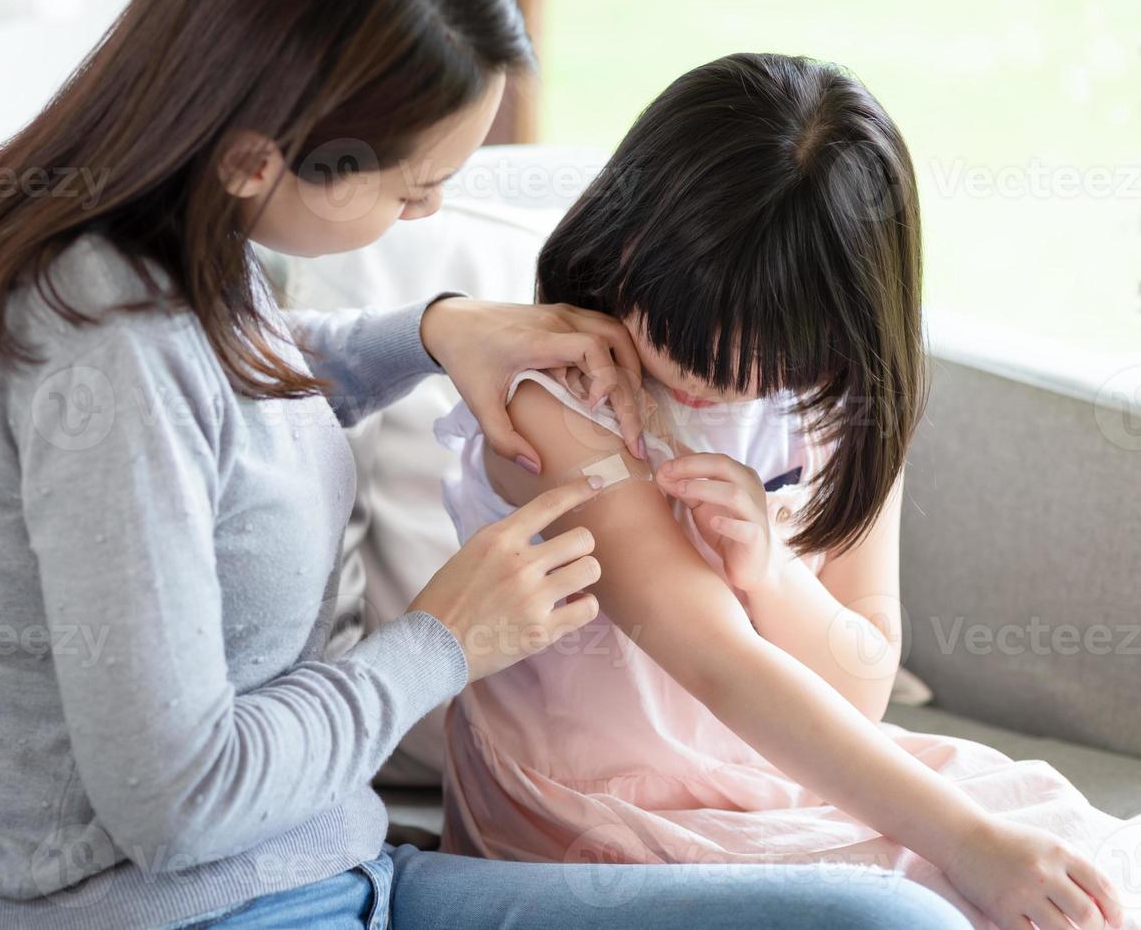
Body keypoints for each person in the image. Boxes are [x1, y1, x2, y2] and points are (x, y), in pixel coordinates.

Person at [0, 0, 972, 927]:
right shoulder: (105, 361)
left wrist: (429, 332)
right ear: (251, 160)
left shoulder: (175, 258)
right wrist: (442, 640)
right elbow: (176, 803)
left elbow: (233, 393)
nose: (427, 214)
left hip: (339, 877)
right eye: (413, 186)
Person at [436, 51, 1131, 930]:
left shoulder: (837, 405)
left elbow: (863, 686)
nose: (699, 378)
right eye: (676, 322)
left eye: (757, 360)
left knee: (1064, 843)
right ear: (624, 234)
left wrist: (771, 571)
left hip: (779, 769)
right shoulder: (555, 403)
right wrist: (965, 843)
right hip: (585, 816)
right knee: (953, 892)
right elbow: (720, 664)